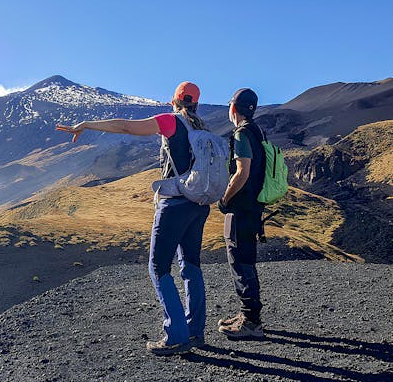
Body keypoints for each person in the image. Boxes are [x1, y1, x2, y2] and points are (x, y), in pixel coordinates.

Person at [56, 82, 210, 355]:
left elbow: (127, 127)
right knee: (190, 264)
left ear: (173, 101)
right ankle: (195, 330)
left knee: (159, 268)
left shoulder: (171, 122)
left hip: (174, 203)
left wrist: (88, 124)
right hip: (198, 204)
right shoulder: (202, 129)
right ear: (196, 103)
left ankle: (176, 336)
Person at [217, 88, 266, 338]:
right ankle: (247, 315)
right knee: (246, 260)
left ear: (233, 108)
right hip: (254, 207)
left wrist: (225, 198)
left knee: (240, 263)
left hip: (241, 209)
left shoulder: (241, 135)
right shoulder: (258, 131)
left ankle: (251, 322)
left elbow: (242, 172)